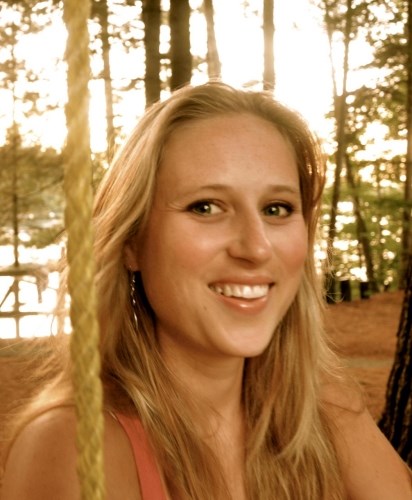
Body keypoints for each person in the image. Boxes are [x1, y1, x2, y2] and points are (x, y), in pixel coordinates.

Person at [1, 82, 411, 500]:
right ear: (132, 242)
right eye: (206, 207)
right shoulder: (76, 444)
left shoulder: (322, 408)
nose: (255, 247)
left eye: (277, 209)